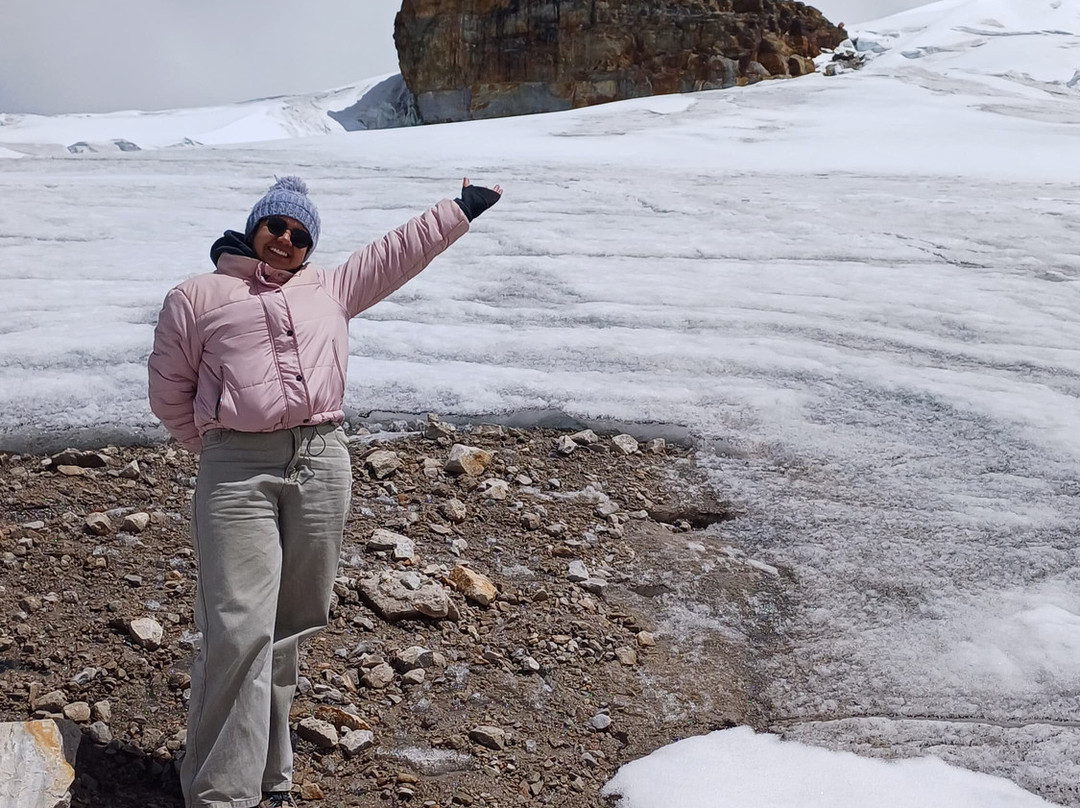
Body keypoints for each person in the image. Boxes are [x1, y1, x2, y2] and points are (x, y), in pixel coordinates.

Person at [147, 175, 502, 808]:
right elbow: (169, 390)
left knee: (292, 624)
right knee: (236, 628)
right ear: (254, 227)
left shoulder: (329, 288)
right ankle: (221, 794)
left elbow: (396, 252)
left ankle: (269, 777)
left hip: (321, 460)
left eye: (300, 234)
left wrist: (460, 208)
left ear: (310, 246)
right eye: (276, 226)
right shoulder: (197, 296)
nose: (285, 239)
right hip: (236, 469)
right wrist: (220, 445)